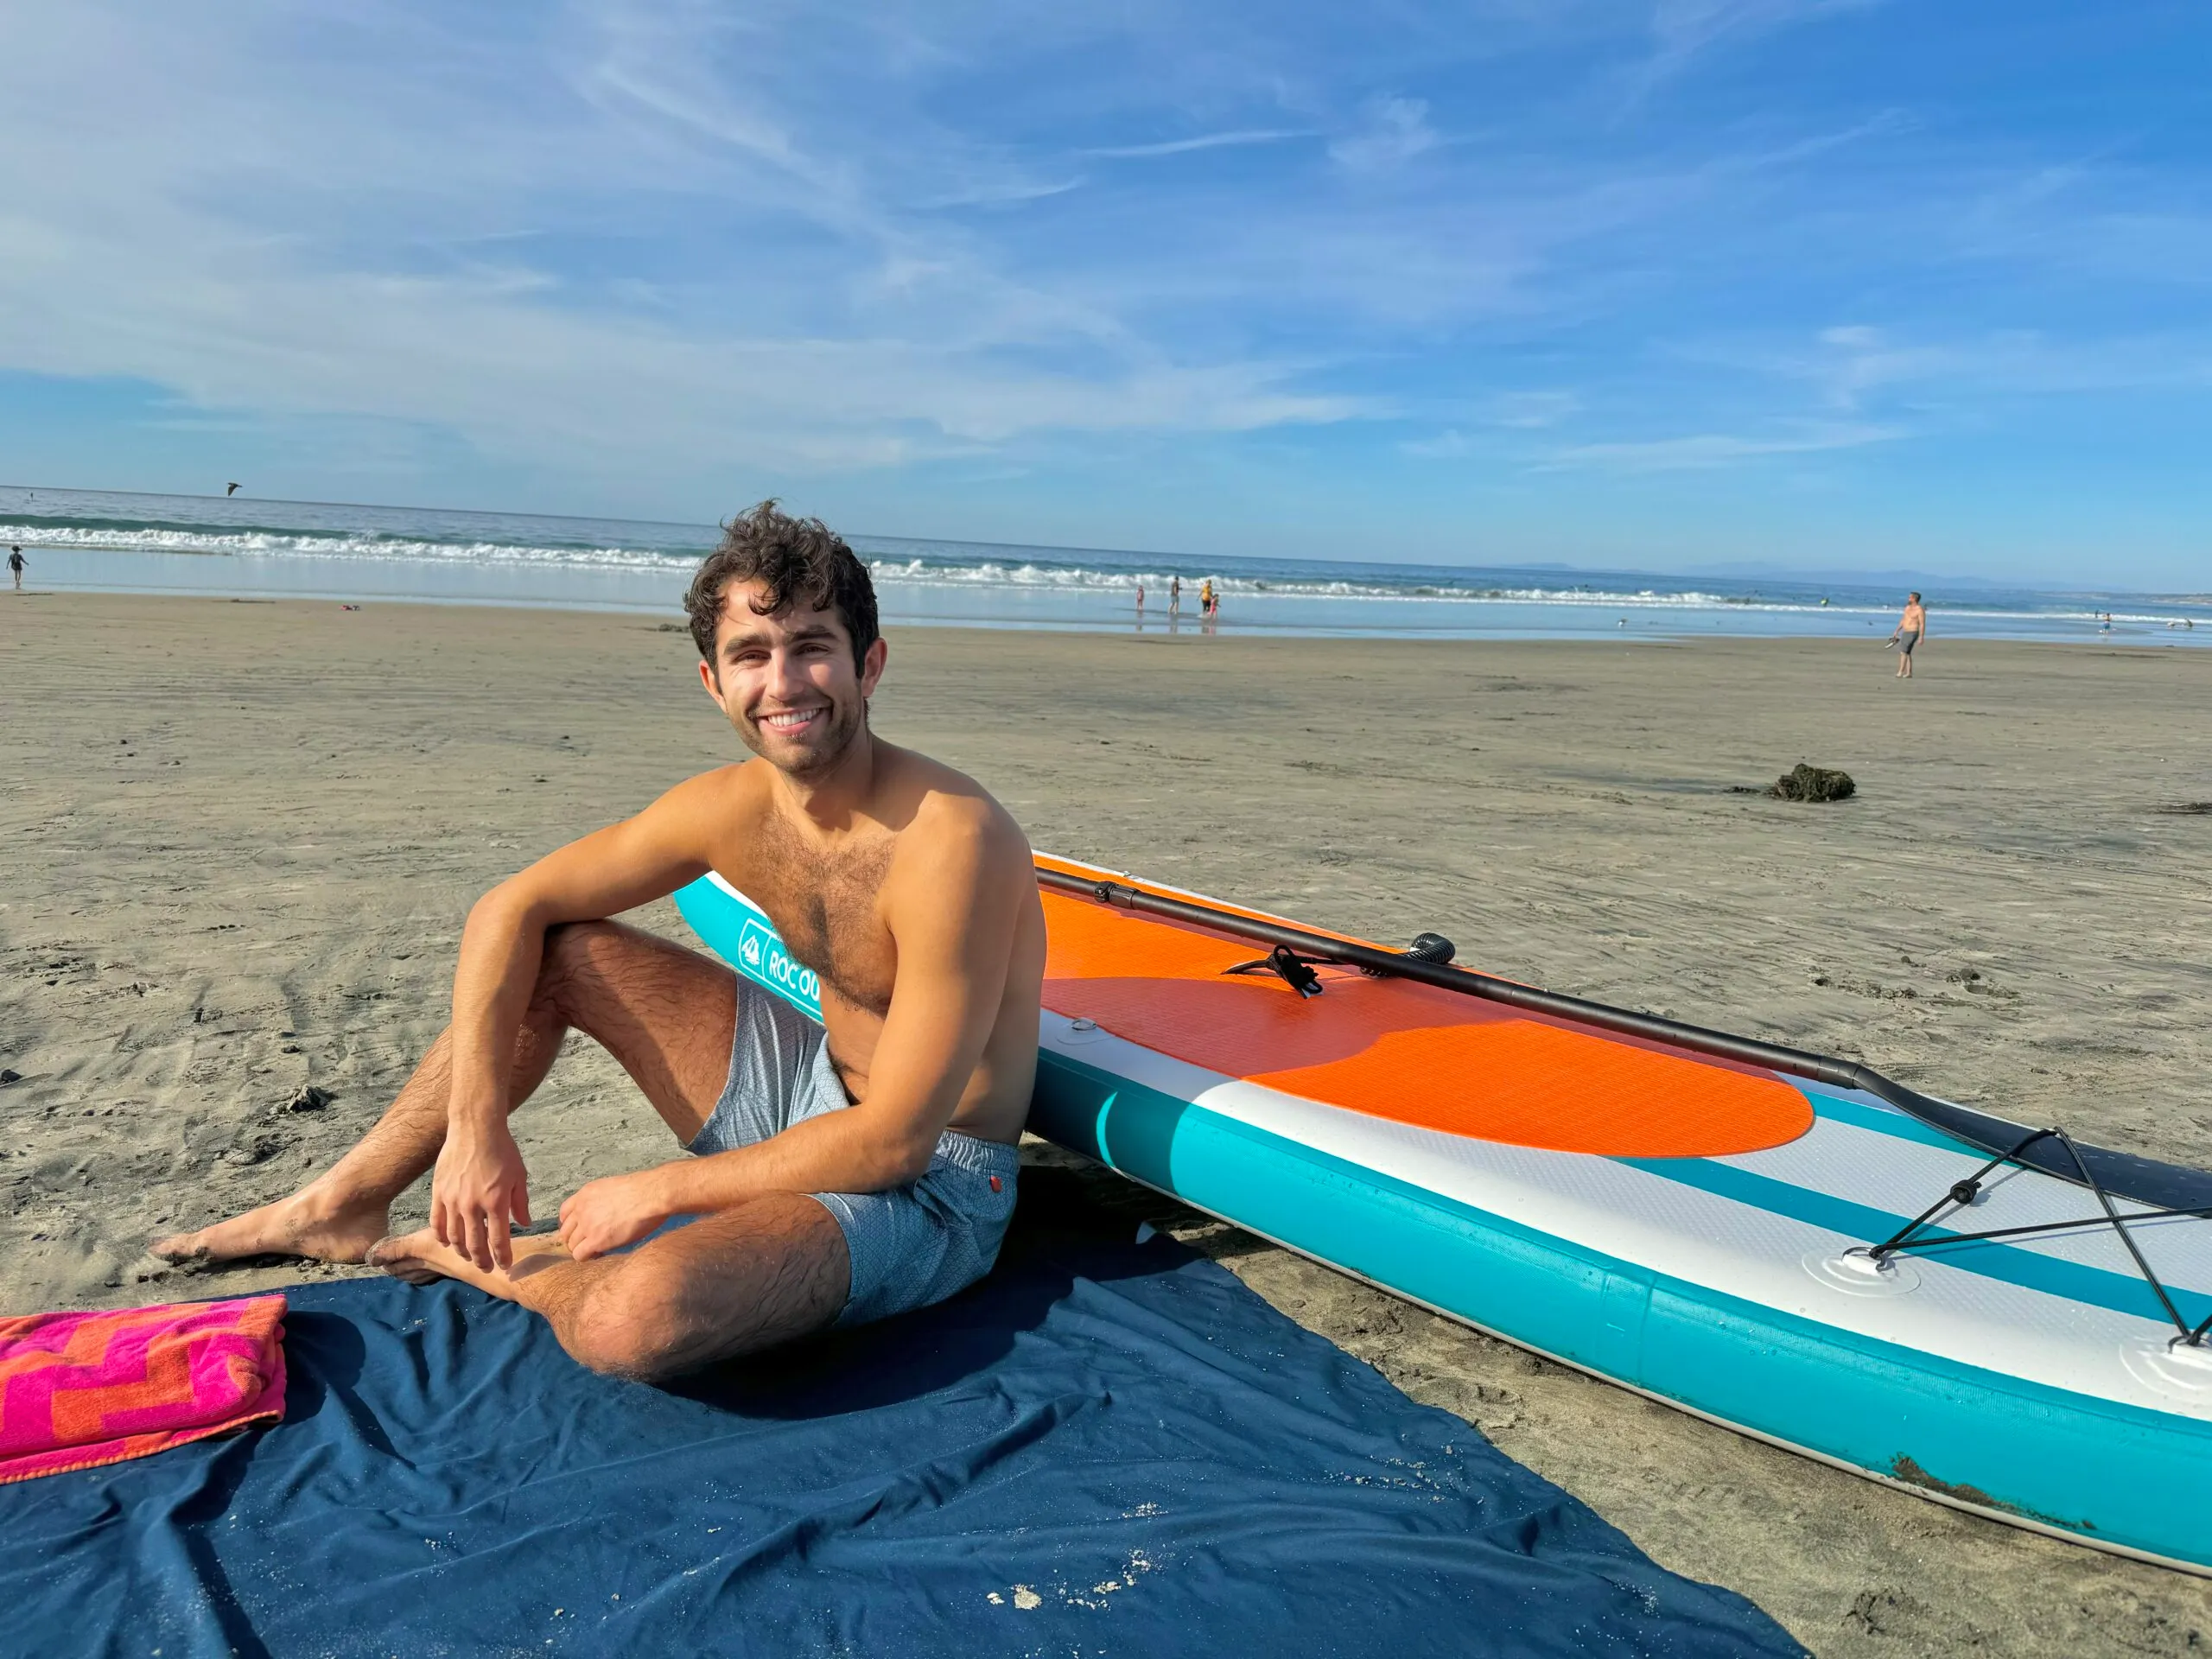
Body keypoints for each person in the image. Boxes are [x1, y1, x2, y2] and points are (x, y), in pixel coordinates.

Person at [156, 503, 1044, 1380]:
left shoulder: (947, 842)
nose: (784, 684)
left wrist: (657, 1189)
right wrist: (475, 1127)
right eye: (751, 655)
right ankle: (342, 1204)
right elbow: (511, 906)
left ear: (869, 664)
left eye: (812, 646)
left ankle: (504, 1268)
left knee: (632, 1319)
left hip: (932, 1182)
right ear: (712, 681)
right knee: (562, 952)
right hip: (810, 1087)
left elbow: (895, 1142)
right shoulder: (732, 808)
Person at [1885, 591, 1926, 678]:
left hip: (1913, 632)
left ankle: (1900, 672)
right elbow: (1904, 619)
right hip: (1905, 631)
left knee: (1903, 652)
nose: (1908, 599)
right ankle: (1909, 673)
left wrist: (1921, 637)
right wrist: (1897, 630)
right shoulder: (1907, 608)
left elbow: (1922, 624)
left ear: (1914, 599)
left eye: (1910, 597)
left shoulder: (1919, 610)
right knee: (1907, 652)